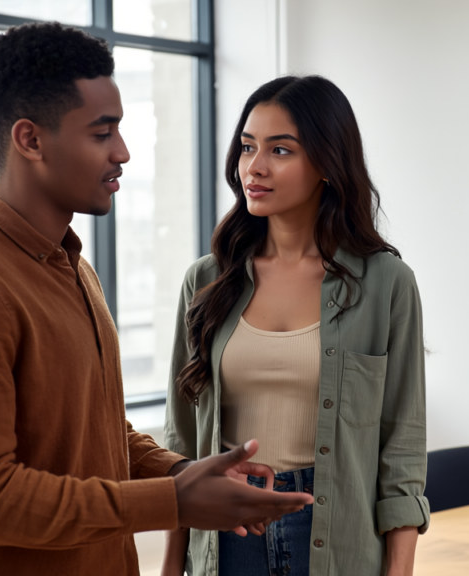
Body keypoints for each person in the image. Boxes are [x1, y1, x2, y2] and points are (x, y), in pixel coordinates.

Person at [0, 23, 312, 576]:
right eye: (101, 133)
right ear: (30, 140)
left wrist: (182, 472)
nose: (123, 152)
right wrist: (175, 500)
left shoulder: (70, 266)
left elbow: (96, 438)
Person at [162, 76, 429, 576]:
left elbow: (402, 451)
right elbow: (181, 445)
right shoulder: (206, 280)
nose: (254, 167)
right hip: (227, 535)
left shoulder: (386, 283)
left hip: (337, 539)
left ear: (327, 163)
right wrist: (172, 568)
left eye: (280, 150)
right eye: (247, 147)